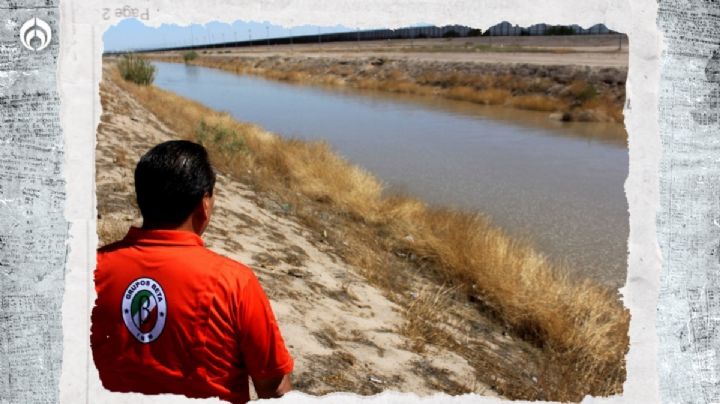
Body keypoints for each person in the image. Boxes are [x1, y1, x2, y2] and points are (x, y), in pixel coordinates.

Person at [91, 140, 293, 403]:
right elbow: (274, 389)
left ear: (141, 199)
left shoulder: (89, 269)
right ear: (204, 205)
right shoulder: (234, 282)